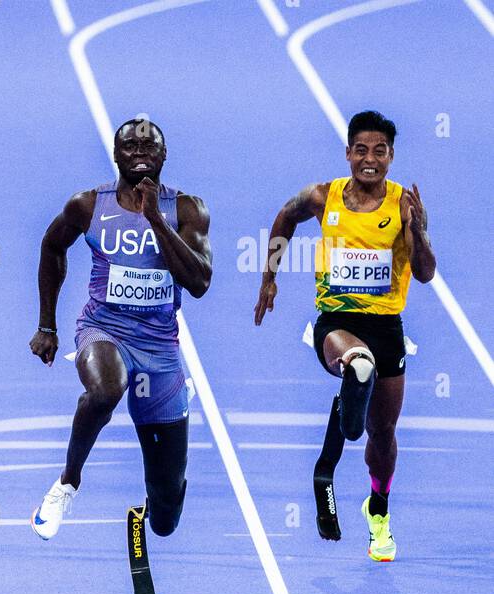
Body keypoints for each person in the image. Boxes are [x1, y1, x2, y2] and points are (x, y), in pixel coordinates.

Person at [255, 110, 435, 562]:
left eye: (379, 151)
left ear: (390, 157)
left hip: (387, 327)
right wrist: (269, 277)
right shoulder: (323, 196)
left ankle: (378, 509)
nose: (369, 159)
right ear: (348, 153)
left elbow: (427, 274)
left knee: (383, 436)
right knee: (359, 364)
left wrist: (417, 231)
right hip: (336, 322)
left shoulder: (401, 206)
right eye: (361, 150)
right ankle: (348, 412)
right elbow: (284, 216)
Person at [30, 119, 212, 541]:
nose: (141, 152)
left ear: (164, 156)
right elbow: (52, 245)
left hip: (161, 350)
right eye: (130, 146)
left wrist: (156, 221)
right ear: (116, 156)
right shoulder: (88, 205)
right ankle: (67, 483)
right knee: (106, 390)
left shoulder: (187, 210)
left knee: (166, 518)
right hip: (104, 330)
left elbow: (199, 283)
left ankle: (159, 497)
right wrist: (47, 325)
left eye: (150, 147)